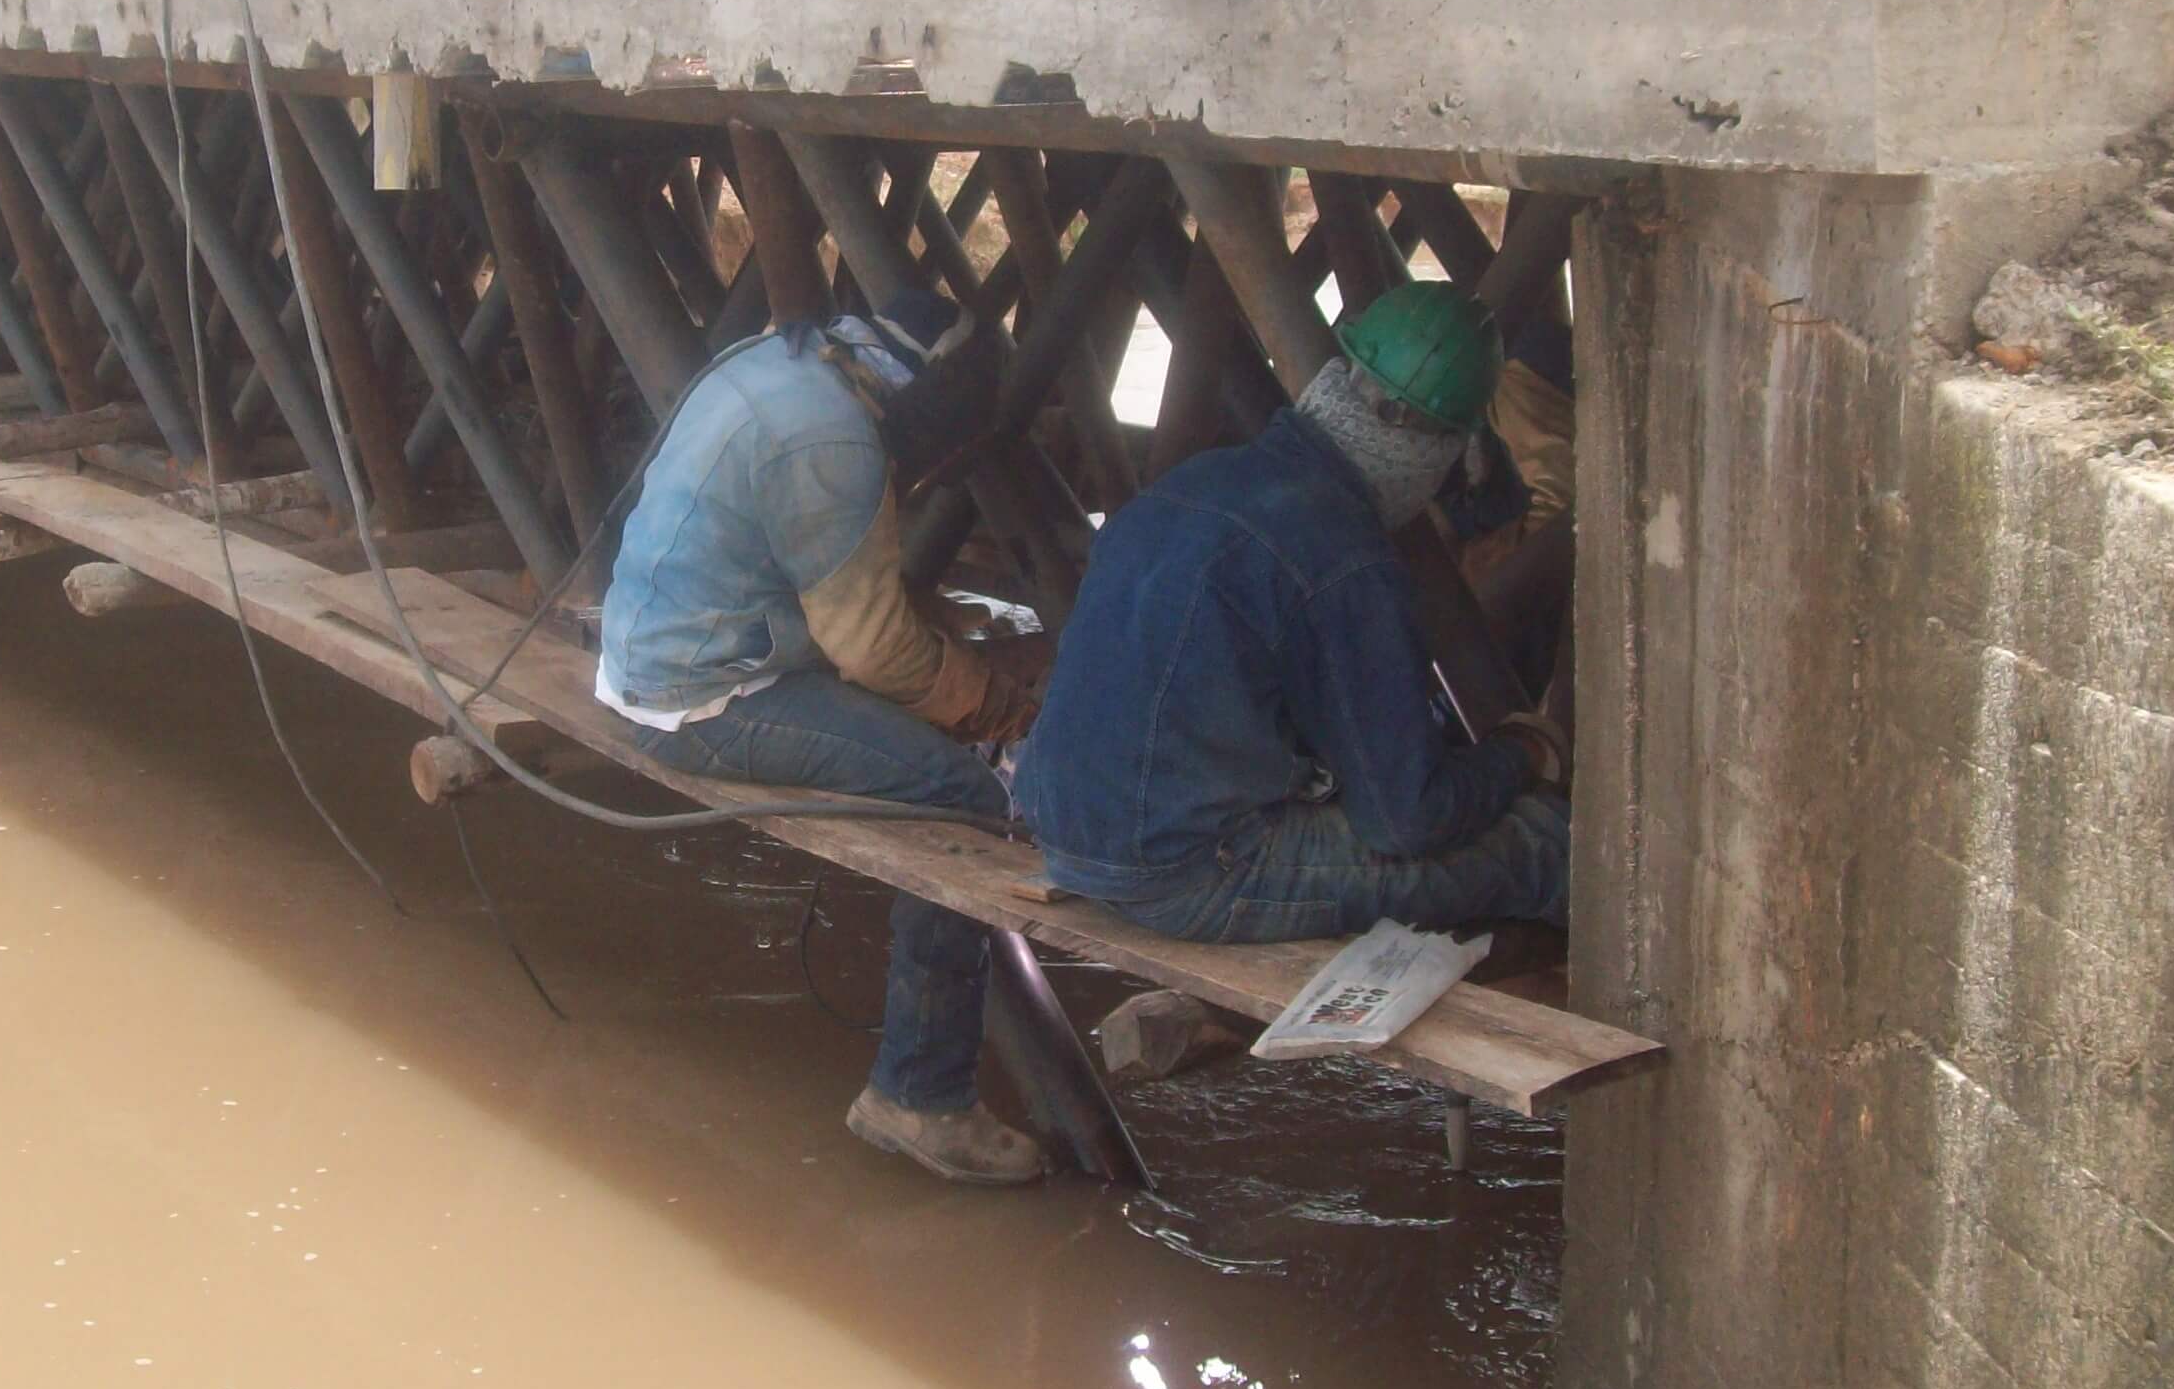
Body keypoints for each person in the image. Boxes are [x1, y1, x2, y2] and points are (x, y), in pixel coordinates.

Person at [596, 288, 1047, 1185]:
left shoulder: (781, 360)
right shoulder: (832, 441)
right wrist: (1001, 709)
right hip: (706, 696)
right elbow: (875, 650)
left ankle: (923, 1080)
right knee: (964, 797)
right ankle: (921, 1097)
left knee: (928, 733)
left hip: (653, 653)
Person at [1012, 282, 1571, 951]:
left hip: (1064, 829)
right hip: (1187, 872)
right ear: (1445, 451)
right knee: (1543, 843)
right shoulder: (1346, 558)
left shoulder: (1193, 484)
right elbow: (1407, 821)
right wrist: (1523, 753)